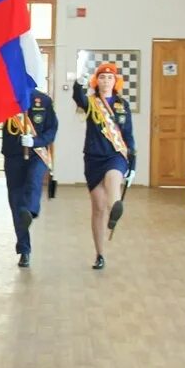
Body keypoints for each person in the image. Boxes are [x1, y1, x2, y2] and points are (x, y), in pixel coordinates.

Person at [71, 63, 136, 270]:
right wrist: (77, 83)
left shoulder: (122, 105)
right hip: (93, 158)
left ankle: (115, 208)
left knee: (113, 180)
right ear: (96, 81)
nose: (106, 81)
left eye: (109, 77)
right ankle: (100, 254)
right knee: (97, 208)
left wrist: (133, 162)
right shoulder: (90, 103)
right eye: (102, 77)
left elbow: (128, 135)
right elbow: (78, 97)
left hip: (115, 155)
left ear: (115, 81)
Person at [2, 88, 57, 267]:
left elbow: (51, 130)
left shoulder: (44, 100)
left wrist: (36, 141)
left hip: (37, 153)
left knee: (34, 181)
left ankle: (31, 210)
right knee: (16, 201)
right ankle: (24, 249)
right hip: (13, 155)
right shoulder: (7, 97)